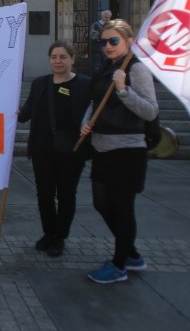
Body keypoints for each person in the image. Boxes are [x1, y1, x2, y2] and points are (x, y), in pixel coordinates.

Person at [81, 19, 159, 283]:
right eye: (103, 42)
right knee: (101, 204)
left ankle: (119, 264)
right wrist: (85, 124)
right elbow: (96, 103)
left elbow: (150, 110)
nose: (108, 46)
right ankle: (132, 253)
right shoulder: (107, 69)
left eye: (114, 41)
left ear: (128, 41)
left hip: (127, 150)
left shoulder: (135, 69)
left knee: (123, 208)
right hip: (103, 147)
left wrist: (124, 89)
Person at [18, 41, 92, 258]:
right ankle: (48, 233)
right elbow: (27, 111)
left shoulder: (85, 85)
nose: (57, 61)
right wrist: (17, 112)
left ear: (72, 59)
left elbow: (94, 112)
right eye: (53, 57)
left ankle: (60, 237)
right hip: (43, 149)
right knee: (44, 194)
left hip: (71, 150)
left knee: (67, 195)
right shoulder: (41, 84)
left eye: (62, 57)